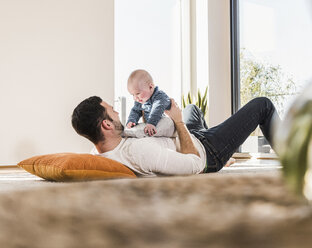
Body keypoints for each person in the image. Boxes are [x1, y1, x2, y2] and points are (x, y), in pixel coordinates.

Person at [71, 95, 279, 176]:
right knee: (262, 105)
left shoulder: (98, 152)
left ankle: (229, 153)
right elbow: (195, 164)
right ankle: (293, 155)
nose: (117, 112)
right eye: (112, 110)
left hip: (189, 136)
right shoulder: (139, 152)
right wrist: (178, 121)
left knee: (192, 108)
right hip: (207, 151)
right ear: (106, 124)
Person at [126, 69, 171, 136]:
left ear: (150, 87)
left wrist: (151, 123)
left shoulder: (160, 96)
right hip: (151, 125)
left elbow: (157, 109)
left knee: (166, 122)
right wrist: (131, 120)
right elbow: (136, 111)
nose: (135, 98)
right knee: (139, 128)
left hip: (165, 123)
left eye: (138, 93)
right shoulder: (141, 100)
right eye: (133, 95)